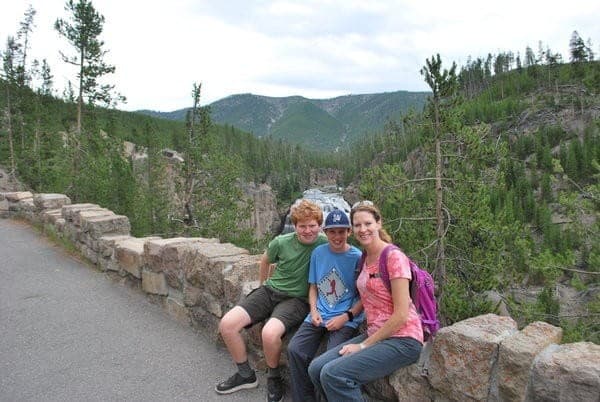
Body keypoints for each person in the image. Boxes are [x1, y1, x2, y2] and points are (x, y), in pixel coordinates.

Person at [307, 201, 423, 401]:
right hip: (377, 333)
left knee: (334, 374)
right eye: (358, 225)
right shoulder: (365, 258)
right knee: (316, 368)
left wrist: (362, 346)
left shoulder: (393, 257)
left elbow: (402, 315)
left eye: (368, 223)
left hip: (403, 339)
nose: (363, 229)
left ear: (378, 223)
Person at [215, 199, 327, 402]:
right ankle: (245, 375)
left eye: (312, 226)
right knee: (227, 324)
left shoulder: (324, 244)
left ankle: (273, 377)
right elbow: (266, 260)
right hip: (269, 291)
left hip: (296, 300)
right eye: (303, 226)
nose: (308, 230)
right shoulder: (281, 242)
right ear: (295, 226)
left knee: (269, 333)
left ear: (319, 225)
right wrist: (262, 284)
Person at [287, 209, 364, 402]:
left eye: (341, 231)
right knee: (294, 349)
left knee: (327, 362)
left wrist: (346, 317)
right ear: (325, 232)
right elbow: (313, 287)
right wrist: (313, 311)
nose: (337, 236)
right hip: (319, 313)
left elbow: (365, 297)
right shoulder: (318, 253)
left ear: (349, 232)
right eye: (332, 231)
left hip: (345, 319)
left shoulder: (358, 258)